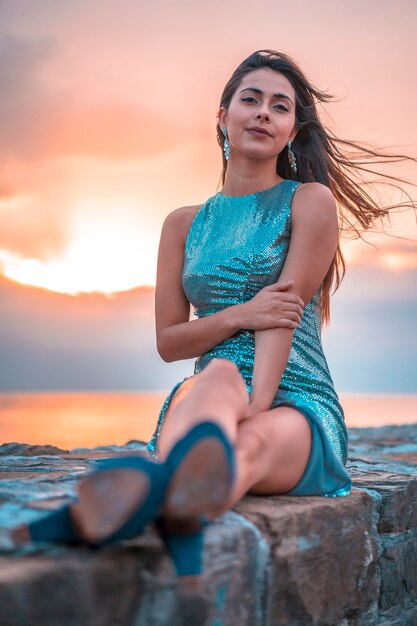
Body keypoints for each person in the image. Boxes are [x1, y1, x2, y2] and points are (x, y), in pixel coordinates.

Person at [10, 49, 416, 582]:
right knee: (219, 374)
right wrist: (242, 313)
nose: (264, 113)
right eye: (251, 100)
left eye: (280, 106)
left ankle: (121, 504)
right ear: (222, 116)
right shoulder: (182, 223)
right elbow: (170, 342)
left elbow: (281, 317)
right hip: (211, 390)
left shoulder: (308, 201)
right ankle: (183, 510)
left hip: (295, 398)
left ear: (293, 131)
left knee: (245, 439)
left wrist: (257, 404)